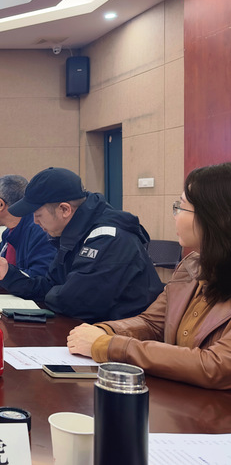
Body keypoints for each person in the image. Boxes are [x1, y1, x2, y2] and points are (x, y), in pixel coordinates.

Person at [67, 162, 231, 389]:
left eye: (181, 207)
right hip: (182, 400)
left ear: (214, 217)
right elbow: (151, 323)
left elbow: (216, 366)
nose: (175, 215)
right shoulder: (191, 268)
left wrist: (110, 346)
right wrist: (105, 331)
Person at [0, 167, 162, 322]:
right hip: (93, 330)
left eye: (38, 215)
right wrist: (9, 275)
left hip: (123, 339)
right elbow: (50, 285)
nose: (35, 221)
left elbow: (75, 302)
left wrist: (57, 291)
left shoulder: (108, 238)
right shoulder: (72, 234)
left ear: (64, 209)